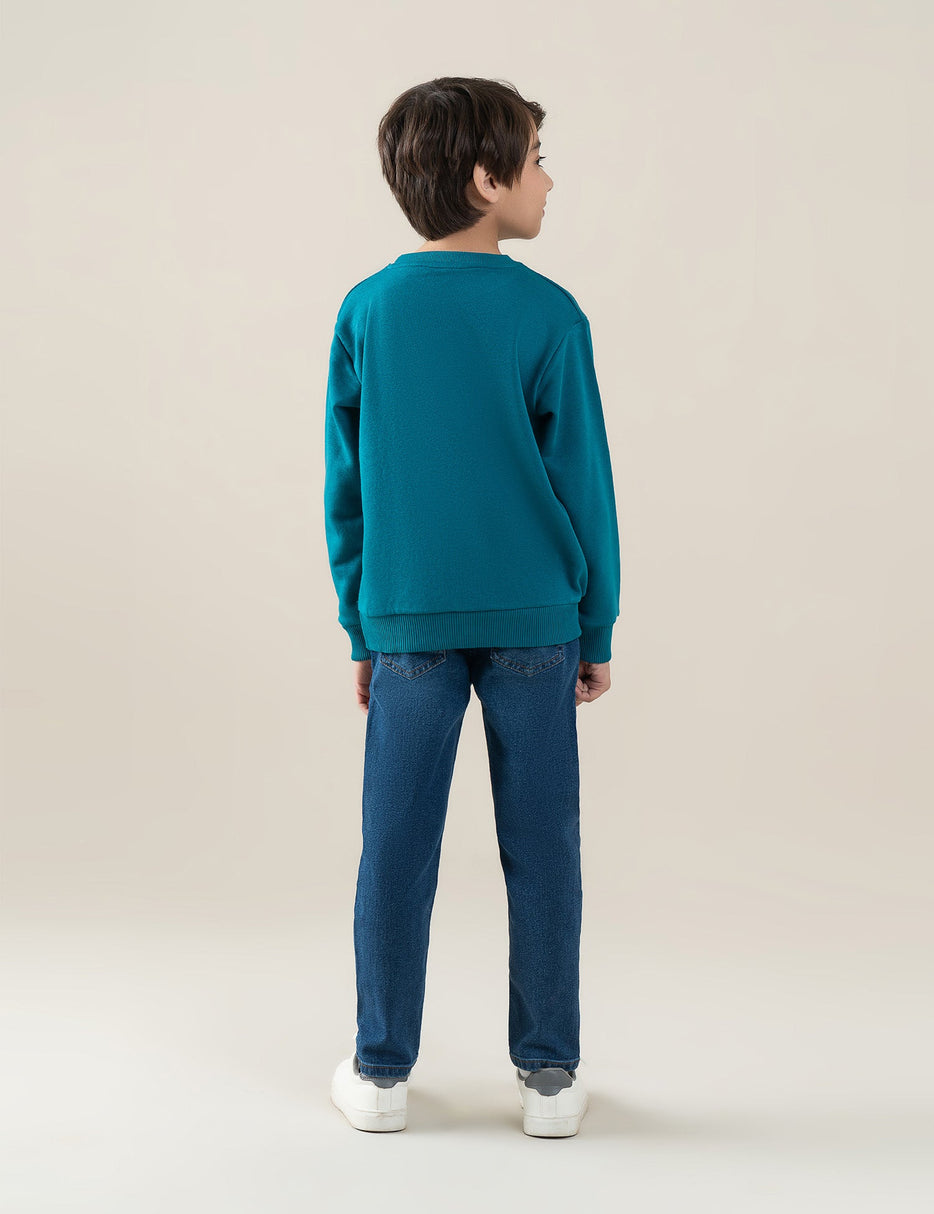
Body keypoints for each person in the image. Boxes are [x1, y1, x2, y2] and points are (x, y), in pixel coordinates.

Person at [324, 76, 620, 1137]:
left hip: (408, 619)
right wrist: (595, 625)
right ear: (487, 178)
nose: (548, 180)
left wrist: (361, 624)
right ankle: (549, 1077)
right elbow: (583, 482)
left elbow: (347, 485)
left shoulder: (367, 311)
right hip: (538, 621)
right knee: (543, 849)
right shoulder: (549, 313)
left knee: (394, 849)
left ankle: (380, 1072)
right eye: (536, 159)